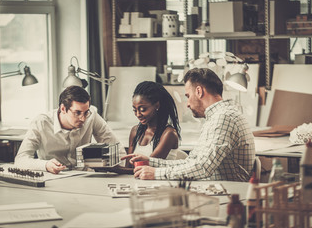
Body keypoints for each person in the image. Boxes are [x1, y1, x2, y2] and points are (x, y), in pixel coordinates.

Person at [123, 68, 255, 181]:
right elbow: (191, 163)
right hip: (213, 188)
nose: (187, 103)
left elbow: (202, 168)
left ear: (199, 91)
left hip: (226, 193)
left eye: (188, 96)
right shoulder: (216, 117)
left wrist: (156, 173)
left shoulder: (223, 118)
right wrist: (149, 161)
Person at [15, 86, 125, 174]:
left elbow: (119, 151)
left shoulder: (92, 116)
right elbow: (20, 160)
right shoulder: (41, 122)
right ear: (63, 109)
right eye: (77, 113)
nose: (83, 118)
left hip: (85, 178)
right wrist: (45, 165)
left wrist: (112, 168)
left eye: (86, 112)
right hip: (54, 178)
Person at [127, 81, 181, 164]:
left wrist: (116, 169)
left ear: (157, 105)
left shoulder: (169, 134)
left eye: (142, 110)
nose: (138, 114)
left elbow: (147, 166)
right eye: (135, 110)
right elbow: (128, 167)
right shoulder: (135, 131)